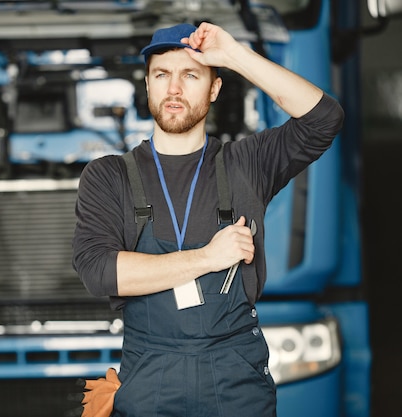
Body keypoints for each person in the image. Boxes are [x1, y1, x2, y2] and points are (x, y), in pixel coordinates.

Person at [72, 22, 344, 417]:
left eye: (191, 75)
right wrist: (209, 258)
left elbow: (324, 119)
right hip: (150, 379)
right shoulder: (108, 175)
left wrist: (234, 55)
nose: (174, 89)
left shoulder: (247, 164)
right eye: (161, 75)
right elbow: (99, 272)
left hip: (236, 378)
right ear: (147, 86)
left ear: (214, 88)